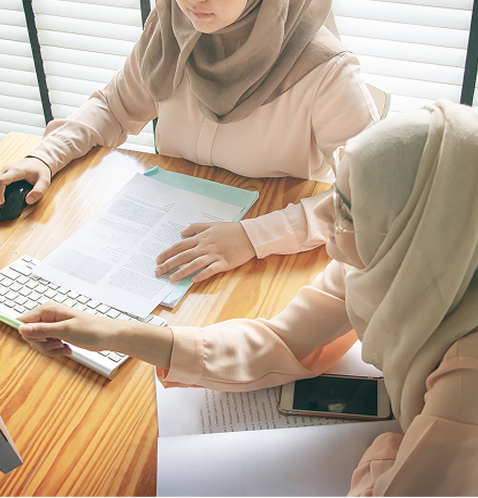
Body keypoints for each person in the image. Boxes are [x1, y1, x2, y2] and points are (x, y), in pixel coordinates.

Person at [18, 99, 478, 494]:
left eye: (349, 212)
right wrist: (120, 333)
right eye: (335, 198)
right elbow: (280, 341)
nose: (326, 224)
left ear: (422, 235)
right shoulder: (390, 265)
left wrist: (393, 443)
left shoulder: (467, 377)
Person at [0, 0, 377, 279]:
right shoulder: (172, 31)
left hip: (269, 262)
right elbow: (113, 108)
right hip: (167, 245)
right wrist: (46, 156)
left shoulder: (326, 72)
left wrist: (253, 237)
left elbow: (369, 195)